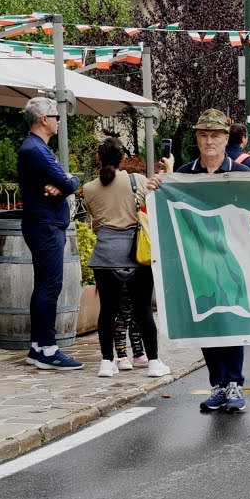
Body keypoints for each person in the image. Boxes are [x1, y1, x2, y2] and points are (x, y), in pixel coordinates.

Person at [159, 109, 250, 413]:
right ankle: (218, 385)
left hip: (232, 261)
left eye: (215, 135)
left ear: (227, 138)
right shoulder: (184, 175)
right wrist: (155, 189)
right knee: (207, 324)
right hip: (197, 264)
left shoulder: (242, 175)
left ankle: (235, 383)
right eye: (203, 135)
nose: (209, 141)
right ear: (196, 138)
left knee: (232, 320)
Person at [81, 137, 171, 379]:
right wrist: (168, 169)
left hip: (104, 255)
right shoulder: (138, 180)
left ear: (98, 158)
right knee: (143, 309)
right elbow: (157, 200)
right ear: (123, 158)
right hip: (137, 254)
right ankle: (153, 362)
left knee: (107, 311)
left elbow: (95, 223)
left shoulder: (88, 189)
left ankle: (107, 362)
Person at [18, 98, 84, 371]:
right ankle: (48, 348)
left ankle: (37, 346)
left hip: (42, 223)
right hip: (46, 225)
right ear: (44, 119)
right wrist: (67, 183)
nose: (59, 120)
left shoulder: (36, 148)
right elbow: (68, 183)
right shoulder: (37, 149)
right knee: (50, 287)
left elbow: (67, 182)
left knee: (43, 286)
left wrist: (67, 182)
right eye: (56, 116)